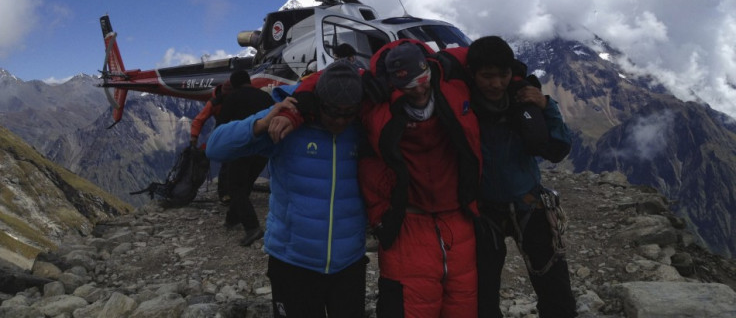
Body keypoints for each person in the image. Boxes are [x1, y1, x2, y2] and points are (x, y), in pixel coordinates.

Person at [206, 61, 368, 318]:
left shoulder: (362, 128)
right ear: (316, 103)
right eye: (332, 112)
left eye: (348, 113)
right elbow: (215, 147)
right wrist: (260, 123)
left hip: (349, 264)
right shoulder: (286, 124)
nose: (339, 120)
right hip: (293, 264)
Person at [359, 40, 483, 318]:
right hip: (407, 226)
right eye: (408, 84)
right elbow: (326, 83)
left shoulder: (451, 88)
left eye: (422, 77)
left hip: (456, 221)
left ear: (430, 69)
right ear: (393, 84)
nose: (419, 88)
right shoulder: (376, 108)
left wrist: (524, 81)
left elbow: (487, 54)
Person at [464, 36, 576, 318]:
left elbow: (556, 149)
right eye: (487, 76)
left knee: (554, 285)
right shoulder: (461, 106)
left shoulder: (525, 102)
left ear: (510, 73)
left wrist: (546, 105)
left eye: (502, 76)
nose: (496, 84)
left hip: (525, 202)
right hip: (489, 207)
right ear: (473, 74)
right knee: (483, 291)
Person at [217, 70, 274, 246]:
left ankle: (252, 227)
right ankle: (232, 218)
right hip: (263, 150)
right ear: (249, 81)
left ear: (233, 84)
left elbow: (222, 126)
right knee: (246, 184)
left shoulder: (232, 98)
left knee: (235, 186)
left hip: (242, 148)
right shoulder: (265, 97)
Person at [189, 79, 232, 204]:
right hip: (225, 132)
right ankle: (225, 193)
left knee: (230, 162)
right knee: (228, 162)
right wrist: (194, 138)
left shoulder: (216, 100)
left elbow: (198, 120)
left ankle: (228, 192)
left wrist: (194, 139)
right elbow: (199, 120)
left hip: (227, 130)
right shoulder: (215, 102)